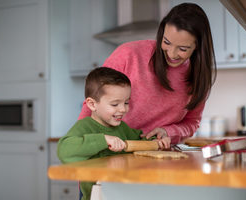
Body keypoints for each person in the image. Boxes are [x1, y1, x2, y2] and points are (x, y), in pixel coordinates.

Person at [79, 3, 216, 144]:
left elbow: (192, 123)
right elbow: (93, 102)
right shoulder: (128, 54)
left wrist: (168, 131)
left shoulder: (198, 77)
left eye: (182, 48)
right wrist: (80, 141)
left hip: (156, 154)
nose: (171, 54)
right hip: (112, 149)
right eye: (166, 42)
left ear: (197, 47)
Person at [57, 67, 170, 200]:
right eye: (115, 104)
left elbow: (141, 142)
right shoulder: (85, 127)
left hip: (123, 194)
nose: (123, 109)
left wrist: (156, 142)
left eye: (126, 102)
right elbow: (63, 150)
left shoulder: (123, 128)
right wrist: (103, 140)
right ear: (92, 104)